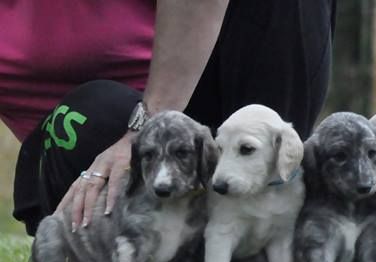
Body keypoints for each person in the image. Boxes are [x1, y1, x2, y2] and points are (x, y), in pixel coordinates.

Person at [0, 0, 336, 235]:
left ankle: (275, 219)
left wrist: (146, 127)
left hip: (200, 123)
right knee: (99, 107)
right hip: (87, 147)